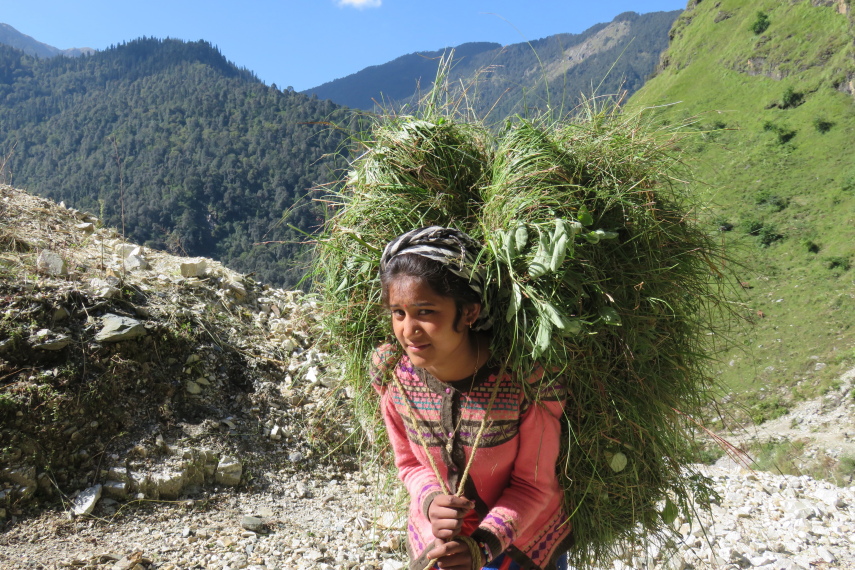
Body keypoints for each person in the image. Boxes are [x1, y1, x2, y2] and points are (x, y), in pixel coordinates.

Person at [370, 226, 572, 570]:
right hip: (439, 547)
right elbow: (409, 464)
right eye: (398, 313)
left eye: (426, 312)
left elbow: (535, 487)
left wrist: (482, 547)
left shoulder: (523, 381)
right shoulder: (393, 375)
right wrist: (432, 502)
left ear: (468, 313)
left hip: (522, 545)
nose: (408, 329)